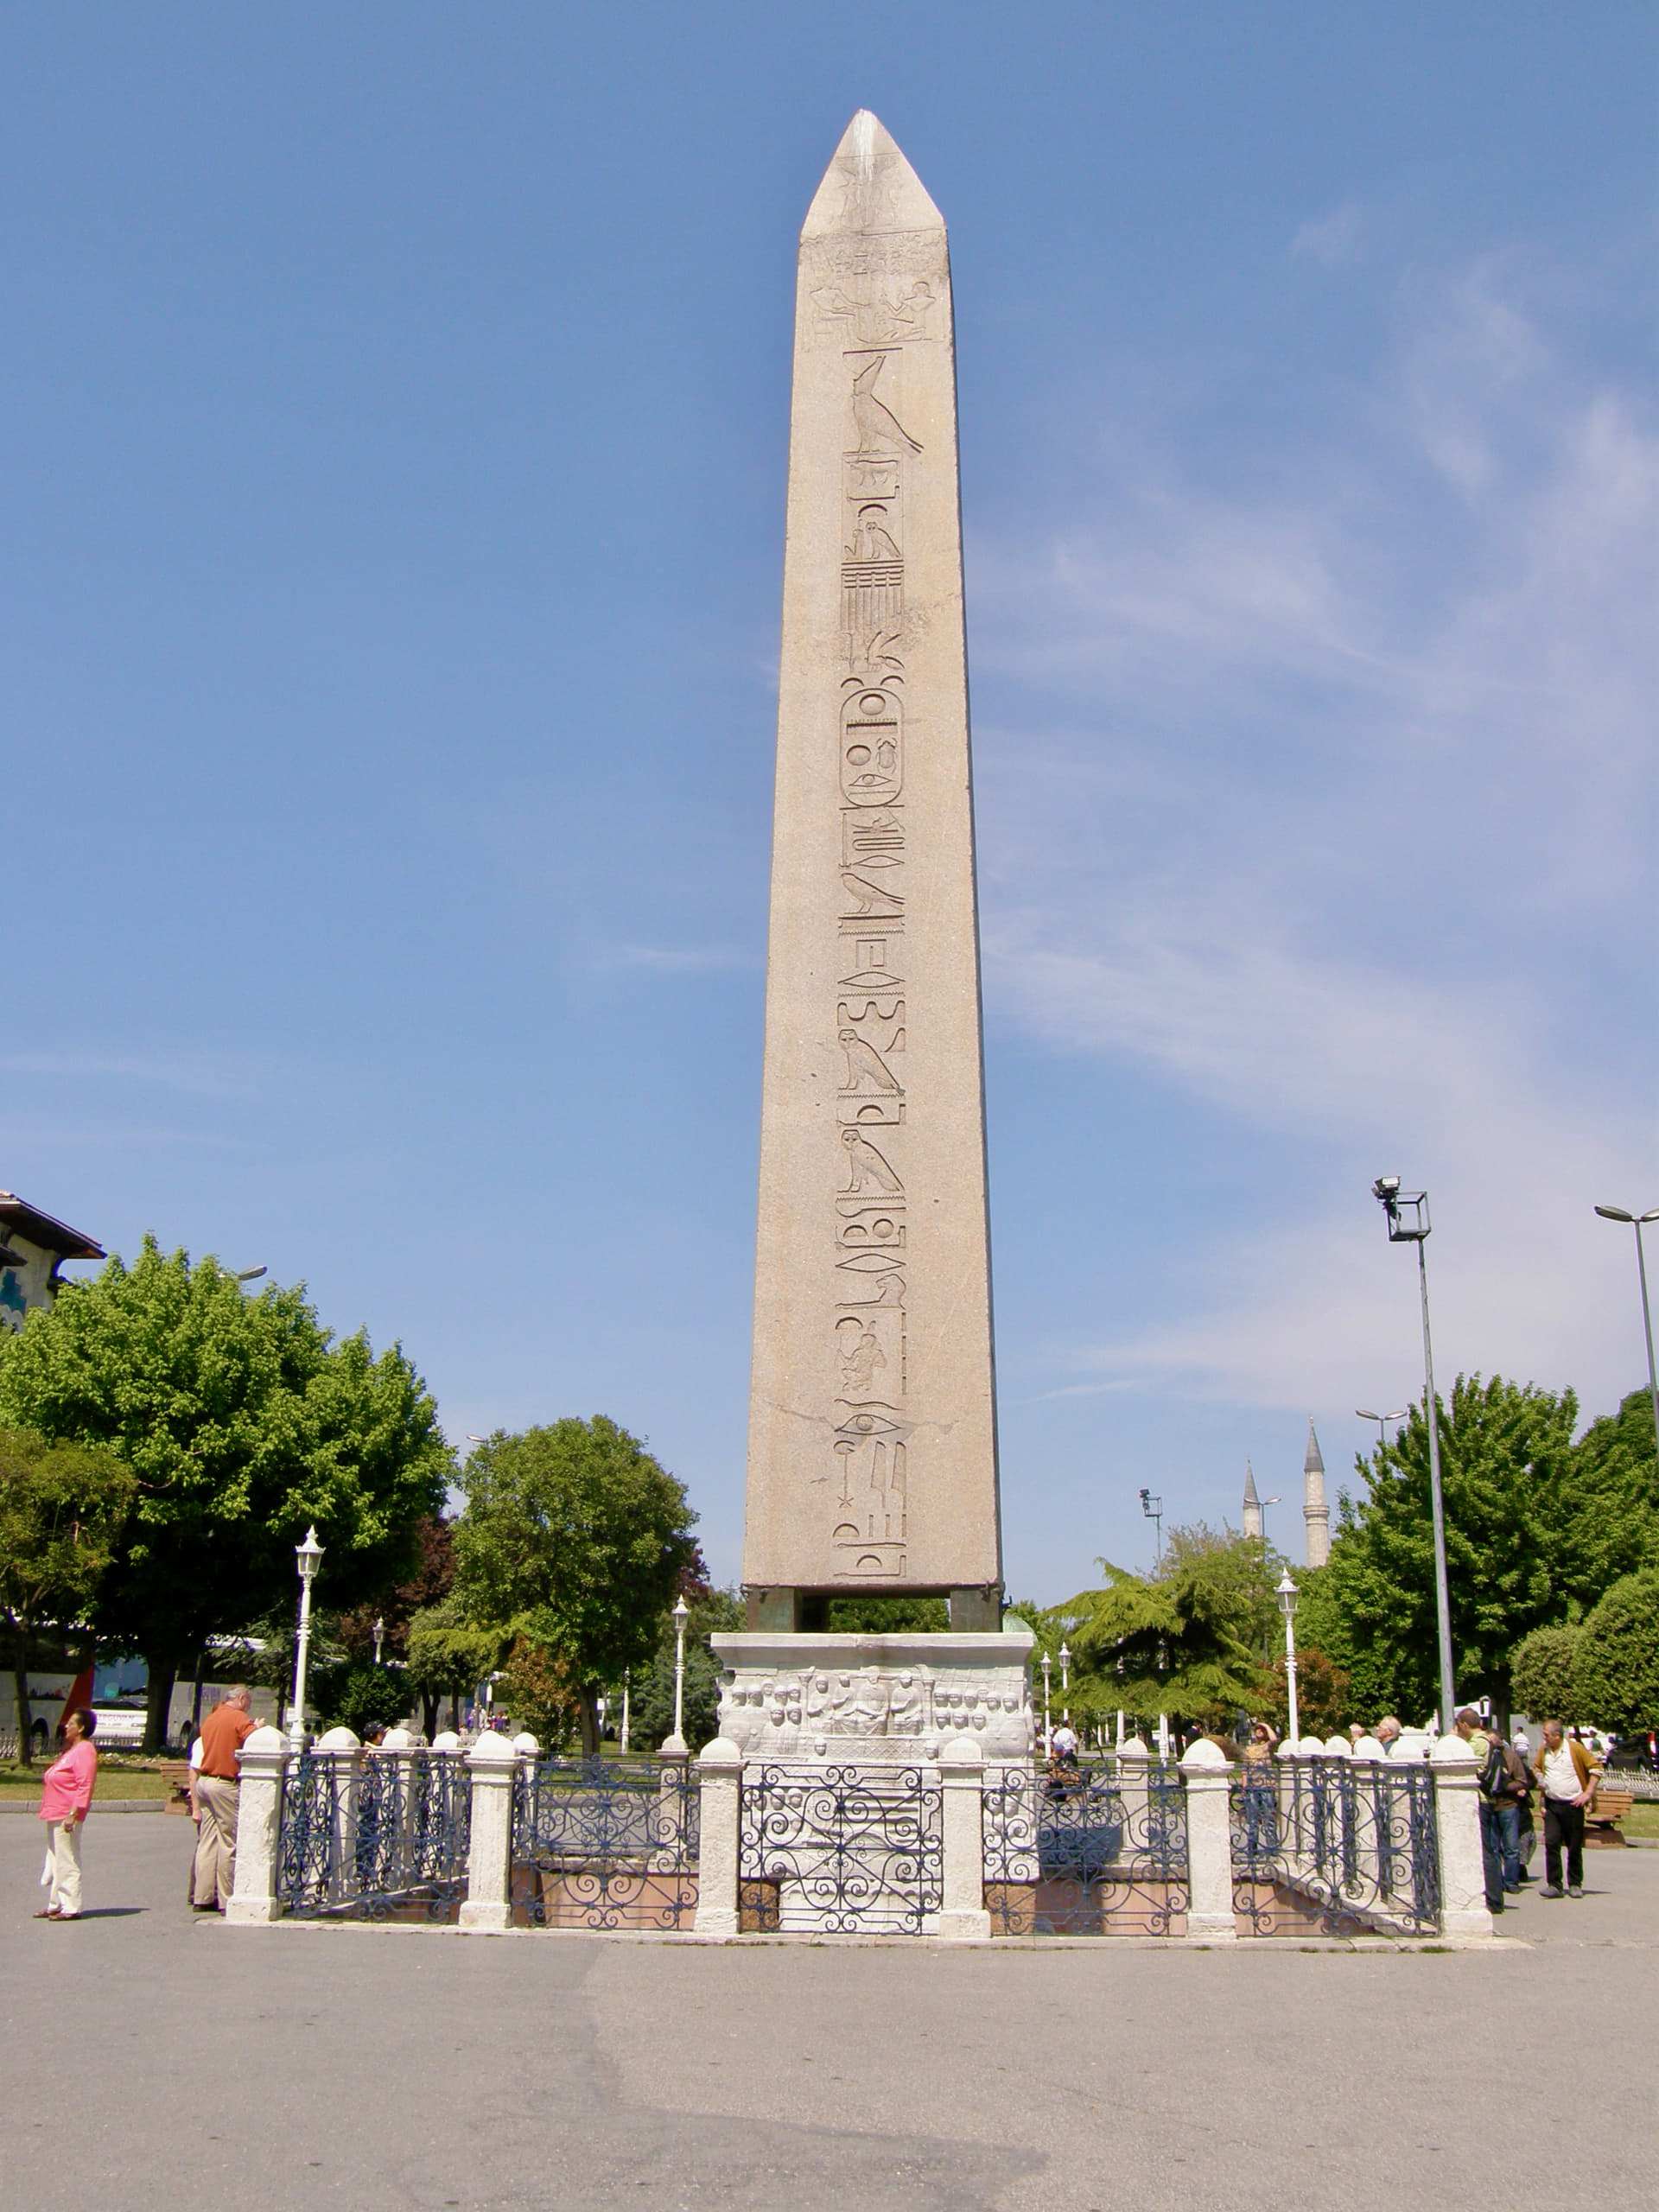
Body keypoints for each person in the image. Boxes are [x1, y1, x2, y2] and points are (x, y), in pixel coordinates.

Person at [191, 1687, 258, 1912]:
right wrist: (257, 1728)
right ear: (241, 1699)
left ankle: (202, 1896)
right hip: (224, 1783)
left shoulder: (211, 1718)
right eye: (248, 1702)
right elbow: (253, 1740)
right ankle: (226, 1898)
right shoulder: (238, 1718)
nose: (248, 1707)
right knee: (227, 1841)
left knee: (207, 1841)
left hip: (204, 1781)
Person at [35, 1707, 97, 1920]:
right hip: (55, 1813)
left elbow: (84, 1785)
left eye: (71, 1723)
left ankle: (71, 1906)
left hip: (66, 1815)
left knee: (67, 1860)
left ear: (81, 1728)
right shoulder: (73, 1751)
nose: (66, 1726)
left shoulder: (85, 1751)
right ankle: (55, 1904)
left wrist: (74, 1813)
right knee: (55, 1861)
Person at [1534, 1718, 1599, 1899]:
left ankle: (1575, 1883)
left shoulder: (1575, 1749)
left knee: (1574, 1845)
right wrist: (1540, 1780)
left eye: (1546, 1735)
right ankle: (1554, 1884)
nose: (1544, 1738)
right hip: (1553, 1804)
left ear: (1557, 1735)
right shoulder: (1544, 1750)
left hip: (1572, 1804)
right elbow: (1537, 1767)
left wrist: (1587, 1794)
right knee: (1552, 1843)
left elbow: (1596, 1768)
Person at [1454, 1707, 1504, 1914]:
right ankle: (1493, 1894)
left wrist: (1454, 1740)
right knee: (1488, 1848)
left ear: (1465, 1725)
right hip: (1487, 1800)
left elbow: (1459, 1762)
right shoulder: (1486, 1741)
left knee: (1485, 1850)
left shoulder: (1476, 1744)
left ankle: (1493, 1897)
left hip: (1480, 1800)